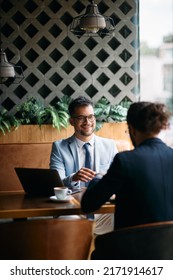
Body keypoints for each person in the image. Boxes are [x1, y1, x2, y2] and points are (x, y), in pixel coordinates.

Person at [81, 101, 173, 230]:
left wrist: (98, 178)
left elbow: (88, 204)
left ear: (132, 129)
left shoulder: (126, 160)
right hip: (169, 247)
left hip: (131, 247)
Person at [50, 96, 118, 234]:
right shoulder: (59, 147)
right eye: (81, 118)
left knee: (124, 217)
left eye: (91, 117)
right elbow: (57, 183)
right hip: (72, 209)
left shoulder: (110, 146)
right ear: (72, 121)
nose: (87, 122)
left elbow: (120, 181)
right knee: (67, 220)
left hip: (103, 210)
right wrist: (73, 178)